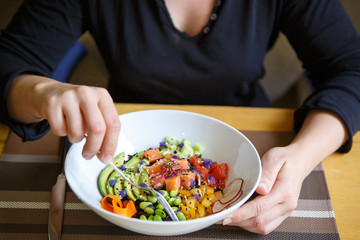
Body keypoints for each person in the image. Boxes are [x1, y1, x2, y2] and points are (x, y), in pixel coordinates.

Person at [0, 0, 359, 235]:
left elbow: (352, 68)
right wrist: (42, 92)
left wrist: (301, 157)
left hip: (248, 133)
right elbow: (8, 60)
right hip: (118, 129)